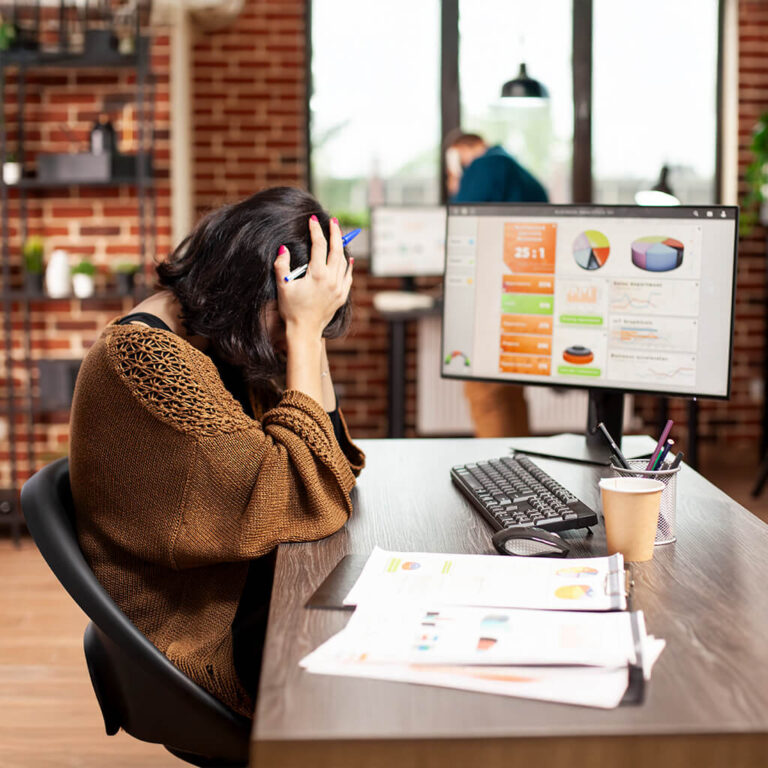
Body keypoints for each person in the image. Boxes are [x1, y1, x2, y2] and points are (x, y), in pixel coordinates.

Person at [69, 186, 364, 719]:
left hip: (238, 588)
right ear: (250, 290)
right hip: (199, 630)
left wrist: (309, 329)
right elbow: (301, 496)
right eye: (286, 323)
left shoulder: (213, 336)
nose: (286, 345)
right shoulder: (147, 361)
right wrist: (302, 332)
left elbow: (329, 455)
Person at [445, 131, 548, 438]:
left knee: (485, 394)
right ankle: (517, 466)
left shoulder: (484, 166)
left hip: (491, 297)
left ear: (464, 150)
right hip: (522, 295)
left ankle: (496, 471)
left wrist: (455, 180)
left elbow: (460, 220)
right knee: (509, 393)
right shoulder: (518, 172)